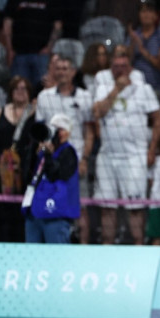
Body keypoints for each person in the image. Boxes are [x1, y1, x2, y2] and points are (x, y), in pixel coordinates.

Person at [93, 51, 160, 245]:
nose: (119, 70)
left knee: (135, 207)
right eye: (115, 67)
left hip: (135, 157)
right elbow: (98, 112)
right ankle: (107, 248)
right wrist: (116, 90)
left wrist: (152, 149)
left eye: (123, 66)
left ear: (130, 68)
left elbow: (158, 120)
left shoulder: (144, 89)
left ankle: (138, 247)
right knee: (107, 207)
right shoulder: (103, 86)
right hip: (108, 156)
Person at [35, 55, 95, 245]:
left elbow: (90, 132)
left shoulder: (84, 97)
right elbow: (39, 131)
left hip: (75, 161)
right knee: (49, 205)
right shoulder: (44, 97)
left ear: (73, 72)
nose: (61, 72)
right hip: (51, 162)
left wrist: (84, 158)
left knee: (81, 207)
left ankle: (83, 249)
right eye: (58, 68)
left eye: (65, 68)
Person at [0, 76, 36, 243]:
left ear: (29, 93)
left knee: (21, 213)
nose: (20, 92)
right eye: (17, 89)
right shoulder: (1, 111)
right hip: (1, 172)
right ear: (11, 92)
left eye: (24, 89)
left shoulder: (35, 112)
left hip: (25, 172)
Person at [21, 113, 80, 244]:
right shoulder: (42, 151)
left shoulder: (69, 152)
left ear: (67, 133)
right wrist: (34, 148)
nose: (56, 133)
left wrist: (48, 155)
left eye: (60, 130)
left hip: (55, 215)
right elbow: (27, 175)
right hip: (35, 212)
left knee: (56, 259)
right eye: (53, 128)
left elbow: (56, 175)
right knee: (31, 257)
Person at [2, 0, 63, 85]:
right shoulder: (14, 2)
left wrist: (49, 48)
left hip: (42, 55)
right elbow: (7, 25)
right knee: (19, 88)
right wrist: (9, 50)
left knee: (42, 88)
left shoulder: (52, 2)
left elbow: (57, 26)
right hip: (19, 54)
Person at [127, 0, 160, 94]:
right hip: (135, 87)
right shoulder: (134, 36)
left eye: (149, 11)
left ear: (156, 16)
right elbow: (127, 63)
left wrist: (142, 49)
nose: (146, 14)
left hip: (156, 88)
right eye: (143, 11)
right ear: (139, 15)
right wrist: (132, 43)